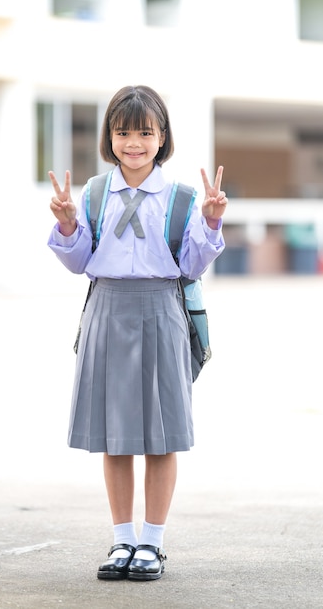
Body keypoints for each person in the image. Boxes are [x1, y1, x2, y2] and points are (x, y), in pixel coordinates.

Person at [48, 85, 227, 582]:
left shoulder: (183, 197)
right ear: (110, 136)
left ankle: (152, 543)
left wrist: (211, 222)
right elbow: (79, 262)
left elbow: (192, 264)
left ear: (161, 137)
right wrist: (67, 227)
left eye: (144, 132)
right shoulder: (93, 193)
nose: (133, 142)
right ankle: (123, 540)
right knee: (116, 436)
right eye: (124, 131)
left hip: (161, 311)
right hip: (106, 308)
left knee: (162, 436)